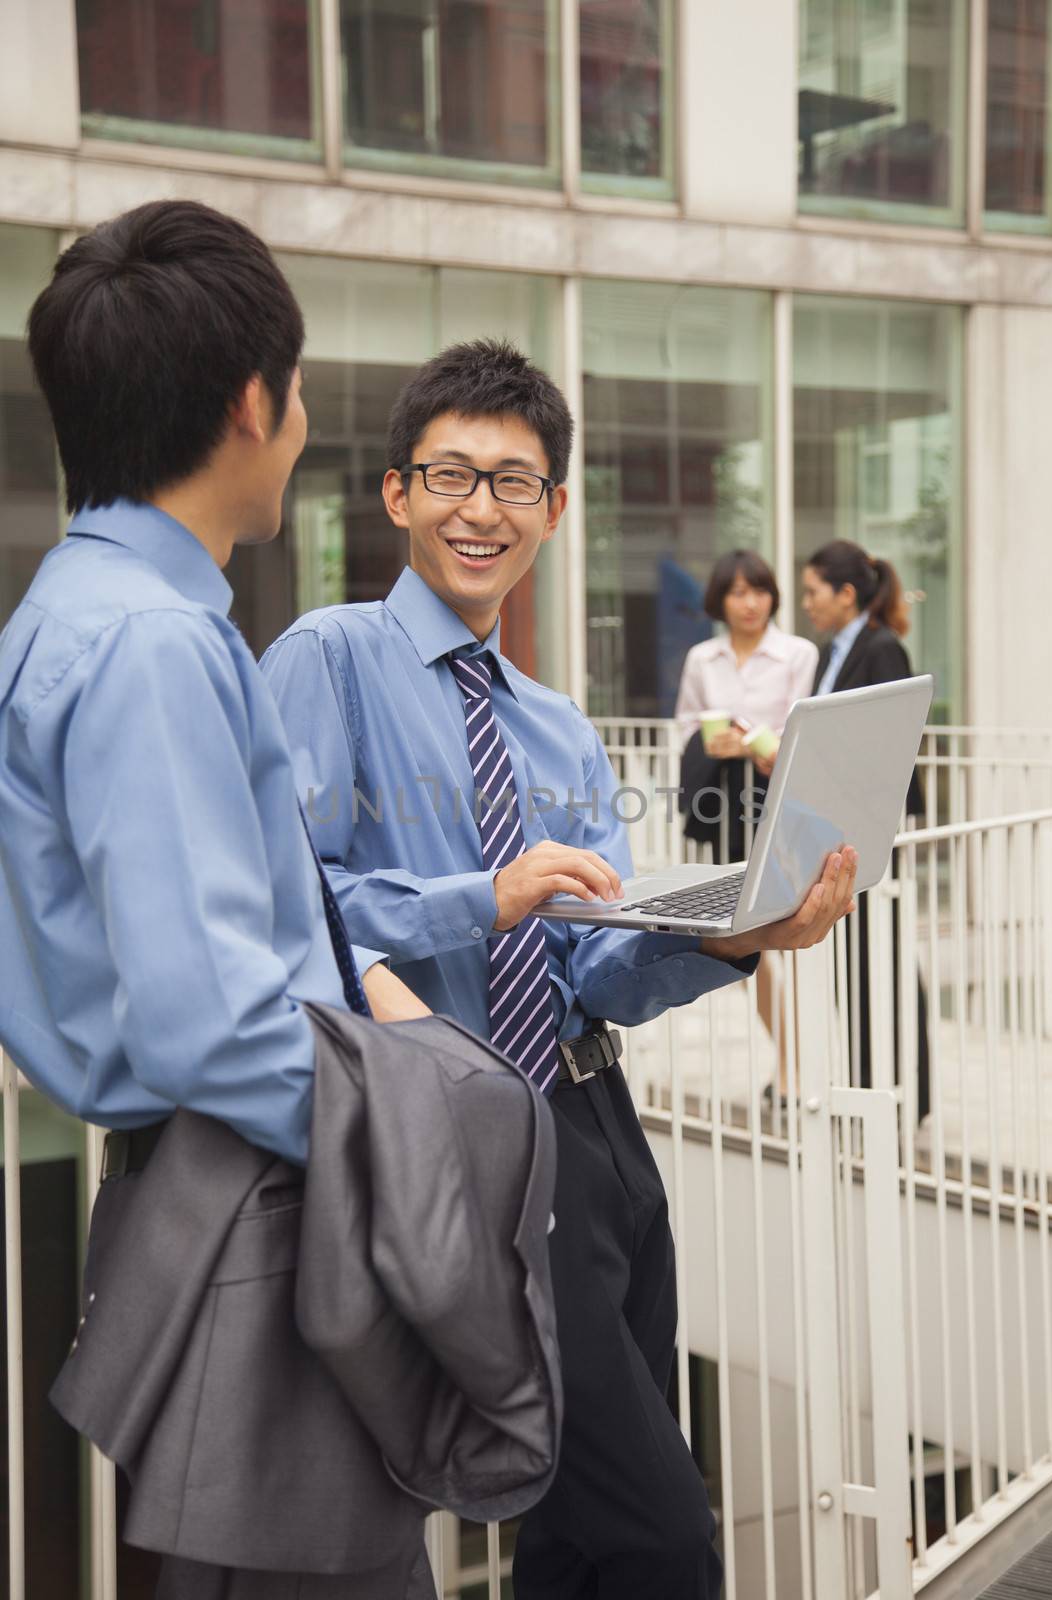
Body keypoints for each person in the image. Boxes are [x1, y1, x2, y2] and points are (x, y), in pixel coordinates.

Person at [261, 338, 858, 1600]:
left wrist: (733, 933)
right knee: (664, 1541)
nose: (482, 509)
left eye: (514, 483)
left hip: (596, 1133)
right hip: (461, 1137)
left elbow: (591, 969)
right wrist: (491, 894)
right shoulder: (329, 657)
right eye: (452, 476)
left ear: (554, 508)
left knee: (579, 1542)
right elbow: (288, 905)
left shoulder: (557, 725)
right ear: (396, 492)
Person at [0, 199, 433, 1600]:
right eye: (298, 388)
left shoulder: (75, 612)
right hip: (247, 1210)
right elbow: (203, 1025)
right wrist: (421, 1131)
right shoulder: (152, 646)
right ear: (256, 402)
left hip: (198, 1200)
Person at [675, 551, 817, 1099]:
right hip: (723, 801)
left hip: (781, 798)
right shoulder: (702, 658)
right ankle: (789, 1057)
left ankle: (801, 1065)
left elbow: (805, 719)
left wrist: (763, 740)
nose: (750, 602)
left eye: (758, 590)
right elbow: (687, 723)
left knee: (794, 928)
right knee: (742, 935)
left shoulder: (796, 653)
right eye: (737, 592)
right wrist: (714, 741)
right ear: (721, 600)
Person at [801, 538, 929, 1122]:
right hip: (836, 826)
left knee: (886, 957)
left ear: (846, 594)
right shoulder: (835, 651)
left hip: (867, 826)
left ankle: (904, 1093)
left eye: (813, 591)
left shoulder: (880, 649)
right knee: (855, 960)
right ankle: (870, 1087)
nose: (806, 604)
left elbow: (893, 741)